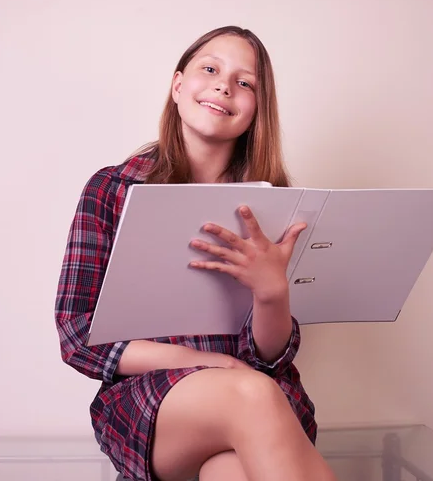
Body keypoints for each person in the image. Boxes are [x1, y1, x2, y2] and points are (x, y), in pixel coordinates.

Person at [55, 26, 337, 481]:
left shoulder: (276, 206)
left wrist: (271, 294)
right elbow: (77, 335)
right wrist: (212, 364)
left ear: (256, 110)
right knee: (251, 392)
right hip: (153, 406)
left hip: (262, 405)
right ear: (178, 85)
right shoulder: (112, 189)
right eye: (210, 69)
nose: (225, 85)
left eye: (245, 83)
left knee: (232, 471)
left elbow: (269, 357)